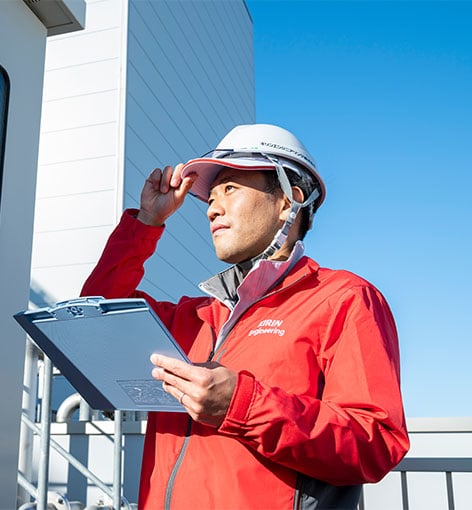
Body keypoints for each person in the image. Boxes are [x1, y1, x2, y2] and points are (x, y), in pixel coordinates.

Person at [80, 124, 410, 509]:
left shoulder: (344, 298)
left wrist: (241, 404)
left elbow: (376, 442)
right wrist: (145, 224)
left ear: (289, 200)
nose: (212, 208)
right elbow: (98, 321)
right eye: (210, 198)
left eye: (230, 188)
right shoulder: (193, 316)